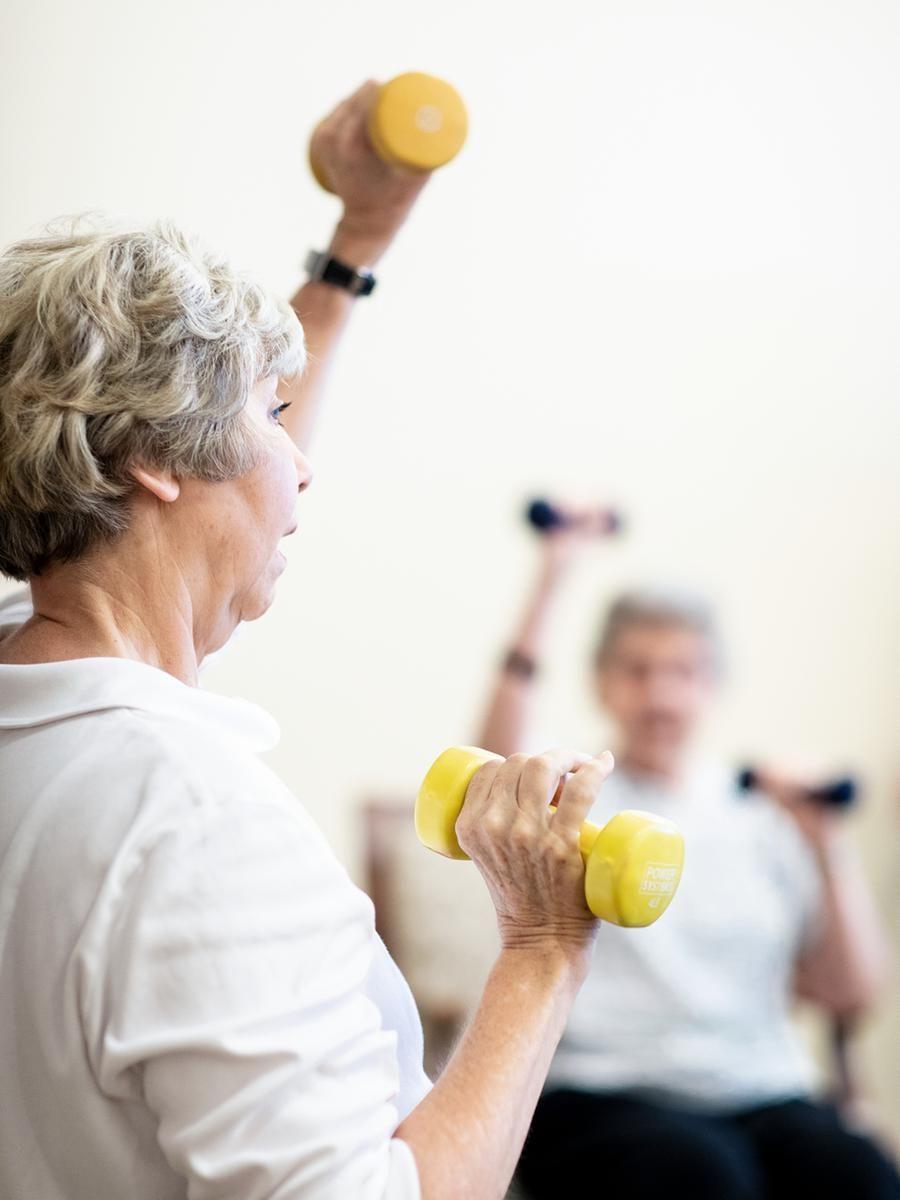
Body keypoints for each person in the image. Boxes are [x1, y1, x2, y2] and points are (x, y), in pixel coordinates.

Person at [0, 88, 616, 1200]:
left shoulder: (33, 689)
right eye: (271, 419)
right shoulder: (189, 822)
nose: (301, 463)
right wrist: (542, 947)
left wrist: (356, 246)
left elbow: (215, 470)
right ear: (156, 458)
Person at [475, 506, 899, 1200]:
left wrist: (828, 845)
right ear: (602, 683)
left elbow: (849, 991)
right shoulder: (578, 794)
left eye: (683, 671)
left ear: (713, 685)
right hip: (607, 1090)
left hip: (758, 1089)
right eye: (638, 671)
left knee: (859, 1175)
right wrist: (553, 576)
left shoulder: (762, 810)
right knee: (703, 1174)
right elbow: (495, 766)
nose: (662, 694)